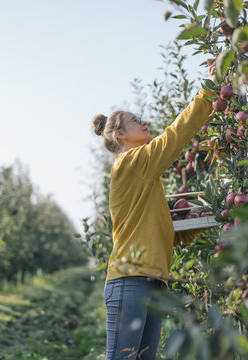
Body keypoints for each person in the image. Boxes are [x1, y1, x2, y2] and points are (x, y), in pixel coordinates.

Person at [91, 63, 216, 360]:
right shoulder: (131, 163)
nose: (145, 123)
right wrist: (209, 90)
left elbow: (162, 234)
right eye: (136, 121)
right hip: (129, 282)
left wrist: (203, 219)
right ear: (120, 135)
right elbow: (176, 136)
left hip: (152, 282)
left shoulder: (145, 177)